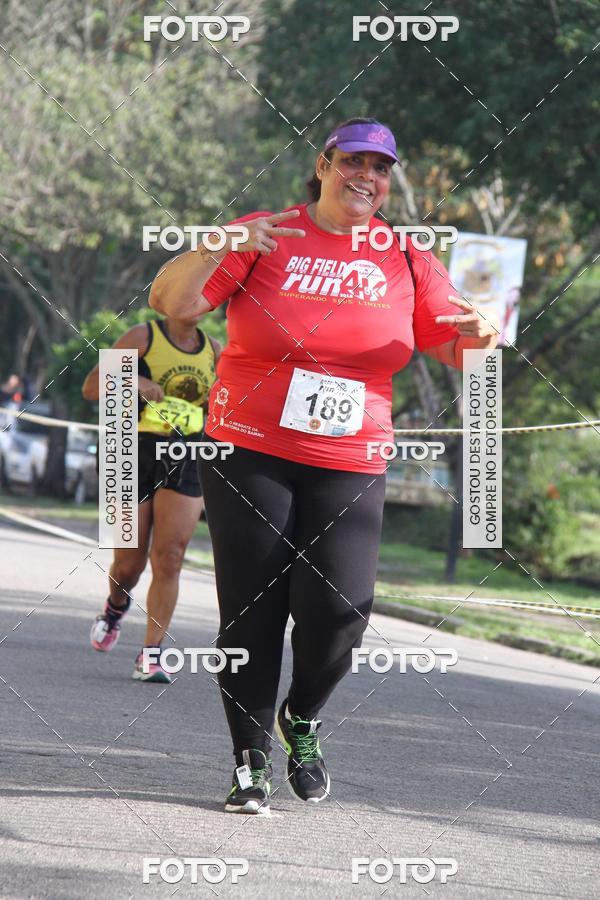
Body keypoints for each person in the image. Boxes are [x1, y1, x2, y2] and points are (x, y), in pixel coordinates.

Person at [149, 117, 498, 813]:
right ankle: (250, 763)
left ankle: (300, 717)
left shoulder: (404, 257)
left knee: (339, 612)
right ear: (323, 164)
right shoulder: (267, 232)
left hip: (350, 456)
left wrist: (485, 337)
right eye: (352, 161)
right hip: (249, 447)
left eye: (380, 166)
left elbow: (457, 346)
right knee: (251, 609)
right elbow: (171, 302)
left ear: (389, 180)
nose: (365, 175)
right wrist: (218, 243)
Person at [82, 314, 220, 682]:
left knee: (171, 556)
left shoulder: (215, 352)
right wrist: (133, 381)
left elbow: (223, 408)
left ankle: (152, 654)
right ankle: (114, 608)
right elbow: (92, 387)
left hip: (186, 453)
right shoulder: (141, 337)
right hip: (128, 449)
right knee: (129, 563)